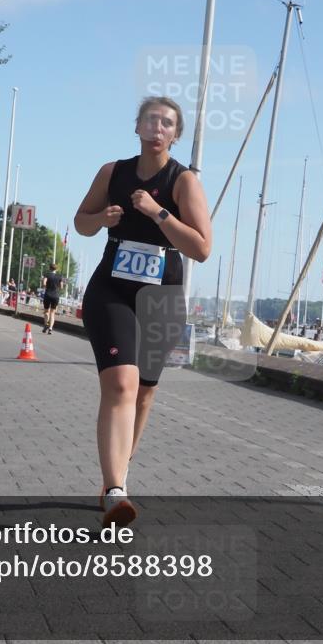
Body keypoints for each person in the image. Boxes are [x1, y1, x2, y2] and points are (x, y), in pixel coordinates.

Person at [74, 96, 212, 529]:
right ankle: (115, 490)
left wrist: (159, 213)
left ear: (175, 134)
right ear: (137, 126)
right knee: (121, 383)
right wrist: (103, 219)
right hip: (112, 287)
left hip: (161, 296)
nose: (157, 127)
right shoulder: (112, 172)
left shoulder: (183, 180)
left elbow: (202, 248)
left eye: (167, 123)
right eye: (150, 119)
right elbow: (80, 221)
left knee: (145, 392)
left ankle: (120, 473)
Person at [41, 264, 64, 334]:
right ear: (56, 269)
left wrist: (47, 286)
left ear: (49, 268)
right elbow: (61, 287)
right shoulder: (59, 276)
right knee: (52, 312)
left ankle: (46, 325)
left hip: (48, 294)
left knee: (46, 311)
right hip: (55, 296)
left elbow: (44, 283)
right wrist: (56, 287)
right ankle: (50, 328)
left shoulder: (47, 275)